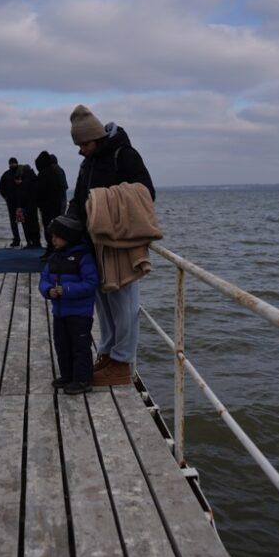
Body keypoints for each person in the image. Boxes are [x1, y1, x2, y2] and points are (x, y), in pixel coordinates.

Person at [67, 104, 156, 386]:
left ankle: (122, 363)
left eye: (83, 143)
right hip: (93, 244)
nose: (80, 150)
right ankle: (106, 352)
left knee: (124, 304)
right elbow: (80, 199)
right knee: (103, 303)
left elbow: (146, 192)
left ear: (96, 137)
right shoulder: (88, 162)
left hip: (119, 245)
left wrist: (103, 203)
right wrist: (66, 228)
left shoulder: (124, 155)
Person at [38, 216, 98, 395]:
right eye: (52, 236)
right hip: (60, 312)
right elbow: (44, 279)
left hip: (80, 313)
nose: (53, 240)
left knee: (80, 346)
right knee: (61, 345)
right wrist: (48, 291)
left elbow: (91, 283)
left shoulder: (83, 257)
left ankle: (82, 380)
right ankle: (67, 375)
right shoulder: (54, 258)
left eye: (57, 236)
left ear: (68, 237)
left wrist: (67, 290)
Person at [34, 150, 68, 259]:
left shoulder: (46, 173)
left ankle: (51, 251)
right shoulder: (58, 170)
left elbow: (40, 190)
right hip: (57, 204)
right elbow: (63, 187)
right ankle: (56, 250)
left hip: (49, 207)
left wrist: (39, 203)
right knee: (56, 229)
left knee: (50, 229)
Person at [11, 164, 42, 248]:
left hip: (26, 207)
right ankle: (37, 242)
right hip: (34, 206)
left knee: (27, 226)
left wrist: (19, 205)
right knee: (35, 224)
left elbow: (23, 195)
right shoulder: (35, 178)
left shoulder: (26, 180)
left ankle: (30, 243)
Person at [0, 157, 22, 247]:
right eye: (12, 163)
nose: (13, 165)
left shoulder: (21, 173)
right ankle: (17, 240)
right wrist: (6, 197)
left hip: (21, 202)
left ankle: (27, 240)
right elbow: (1, 187)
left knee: (24, 222)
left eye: (14, 163)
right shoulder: (6, 175)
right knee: (14, 222)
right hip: (11, 202)